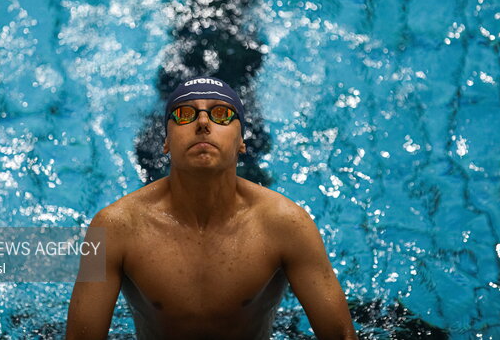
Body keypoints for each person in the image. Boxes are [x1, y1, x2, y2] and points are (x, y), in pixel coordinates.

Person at [66, 77, 357, 340]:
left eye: (221, 114)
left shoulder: (287, 224)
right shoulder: (112, 227)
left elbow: (341, 335)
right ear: (165, 141)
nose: (203, 123)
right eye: (184, 114)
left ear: (242, 141)